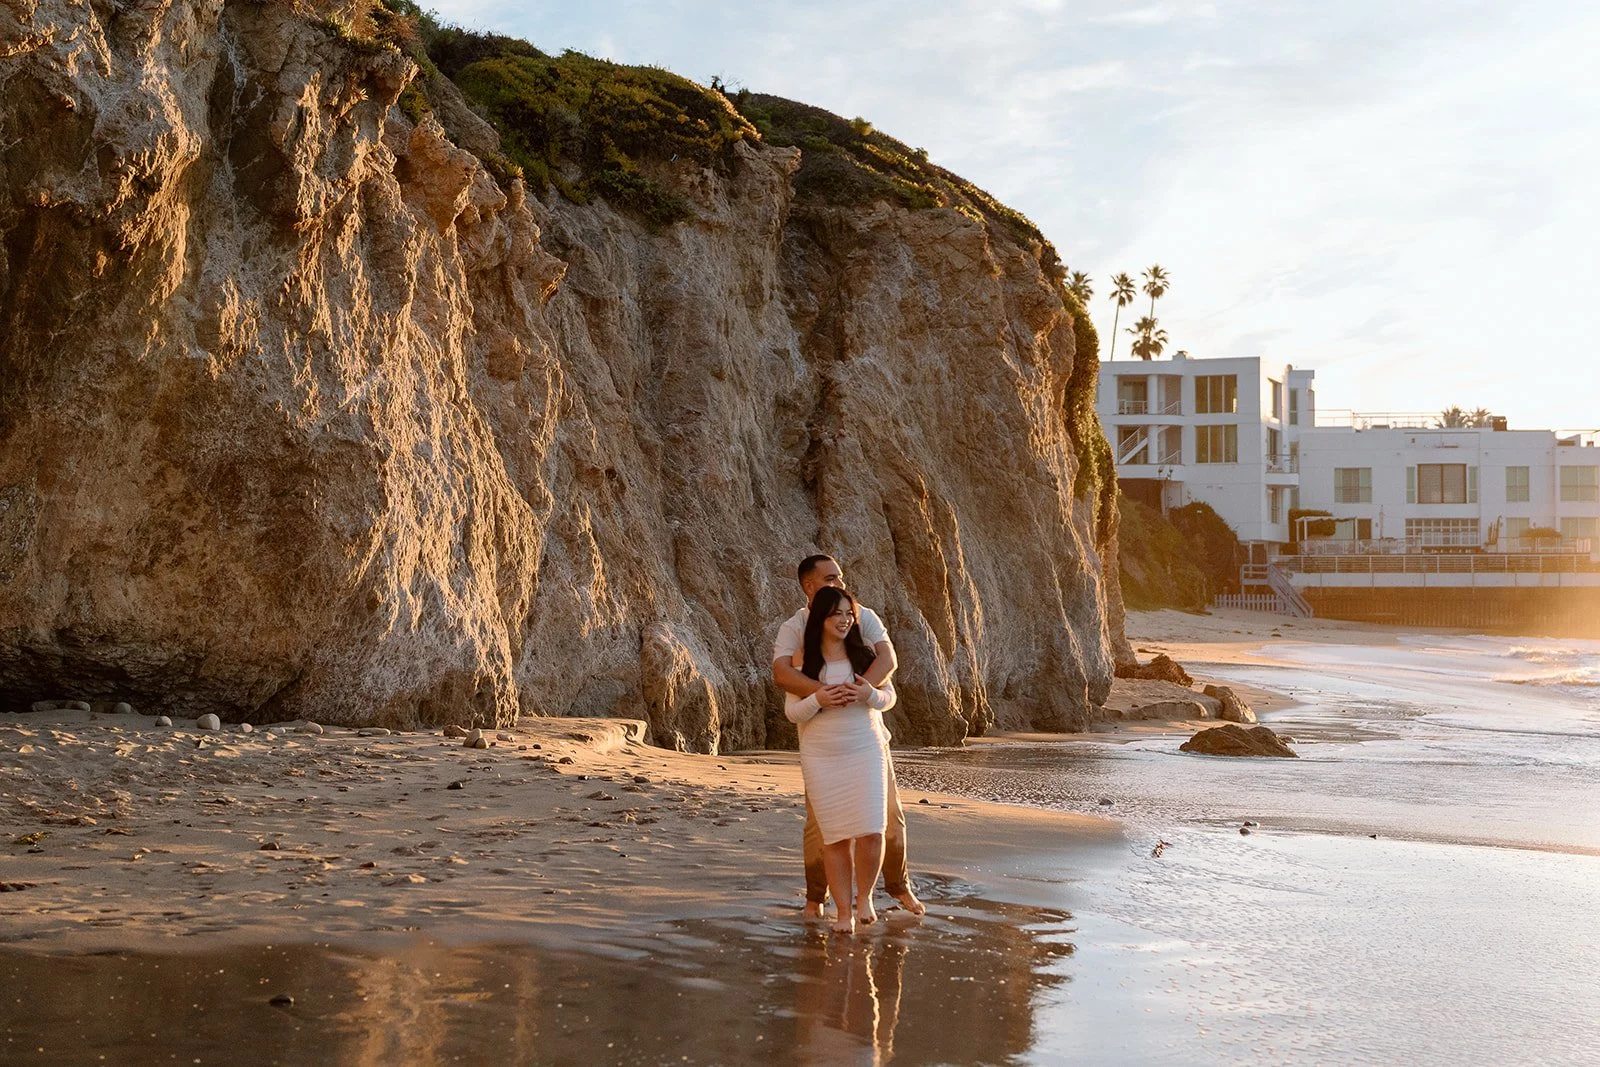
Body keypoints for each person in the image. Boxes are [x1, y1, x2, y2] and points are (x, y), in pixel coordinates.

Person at [773, 554, 925, 920]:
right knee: (820, 824)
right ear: (809, 586)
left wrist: (861, 689)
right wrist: (822, 693)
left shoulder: (861, 614)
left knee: (889, 816)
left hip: (867, 736)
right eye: (830, 578)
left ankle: (897, 887)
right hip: (822, 744)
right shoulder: (794, 627)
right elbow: (781, 673)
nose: (839, 583)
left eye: (840, 577)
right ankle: (816, 896)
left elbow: (888, 660)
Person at [785, 586, 895, 934]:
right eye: (837, 614)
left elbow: (888, 698)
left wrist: (868, 694)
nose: (845, 620)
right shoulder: (804, 661)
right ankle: (843, 911)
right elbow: (792, 713)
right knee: (835, 838)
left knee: (872, 831)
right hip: (822, 755)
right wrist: (818, 698)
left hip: (866, 748)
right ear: (821, 618)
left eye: (849, 614)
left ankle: (865, 900)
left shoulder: (864, 657)